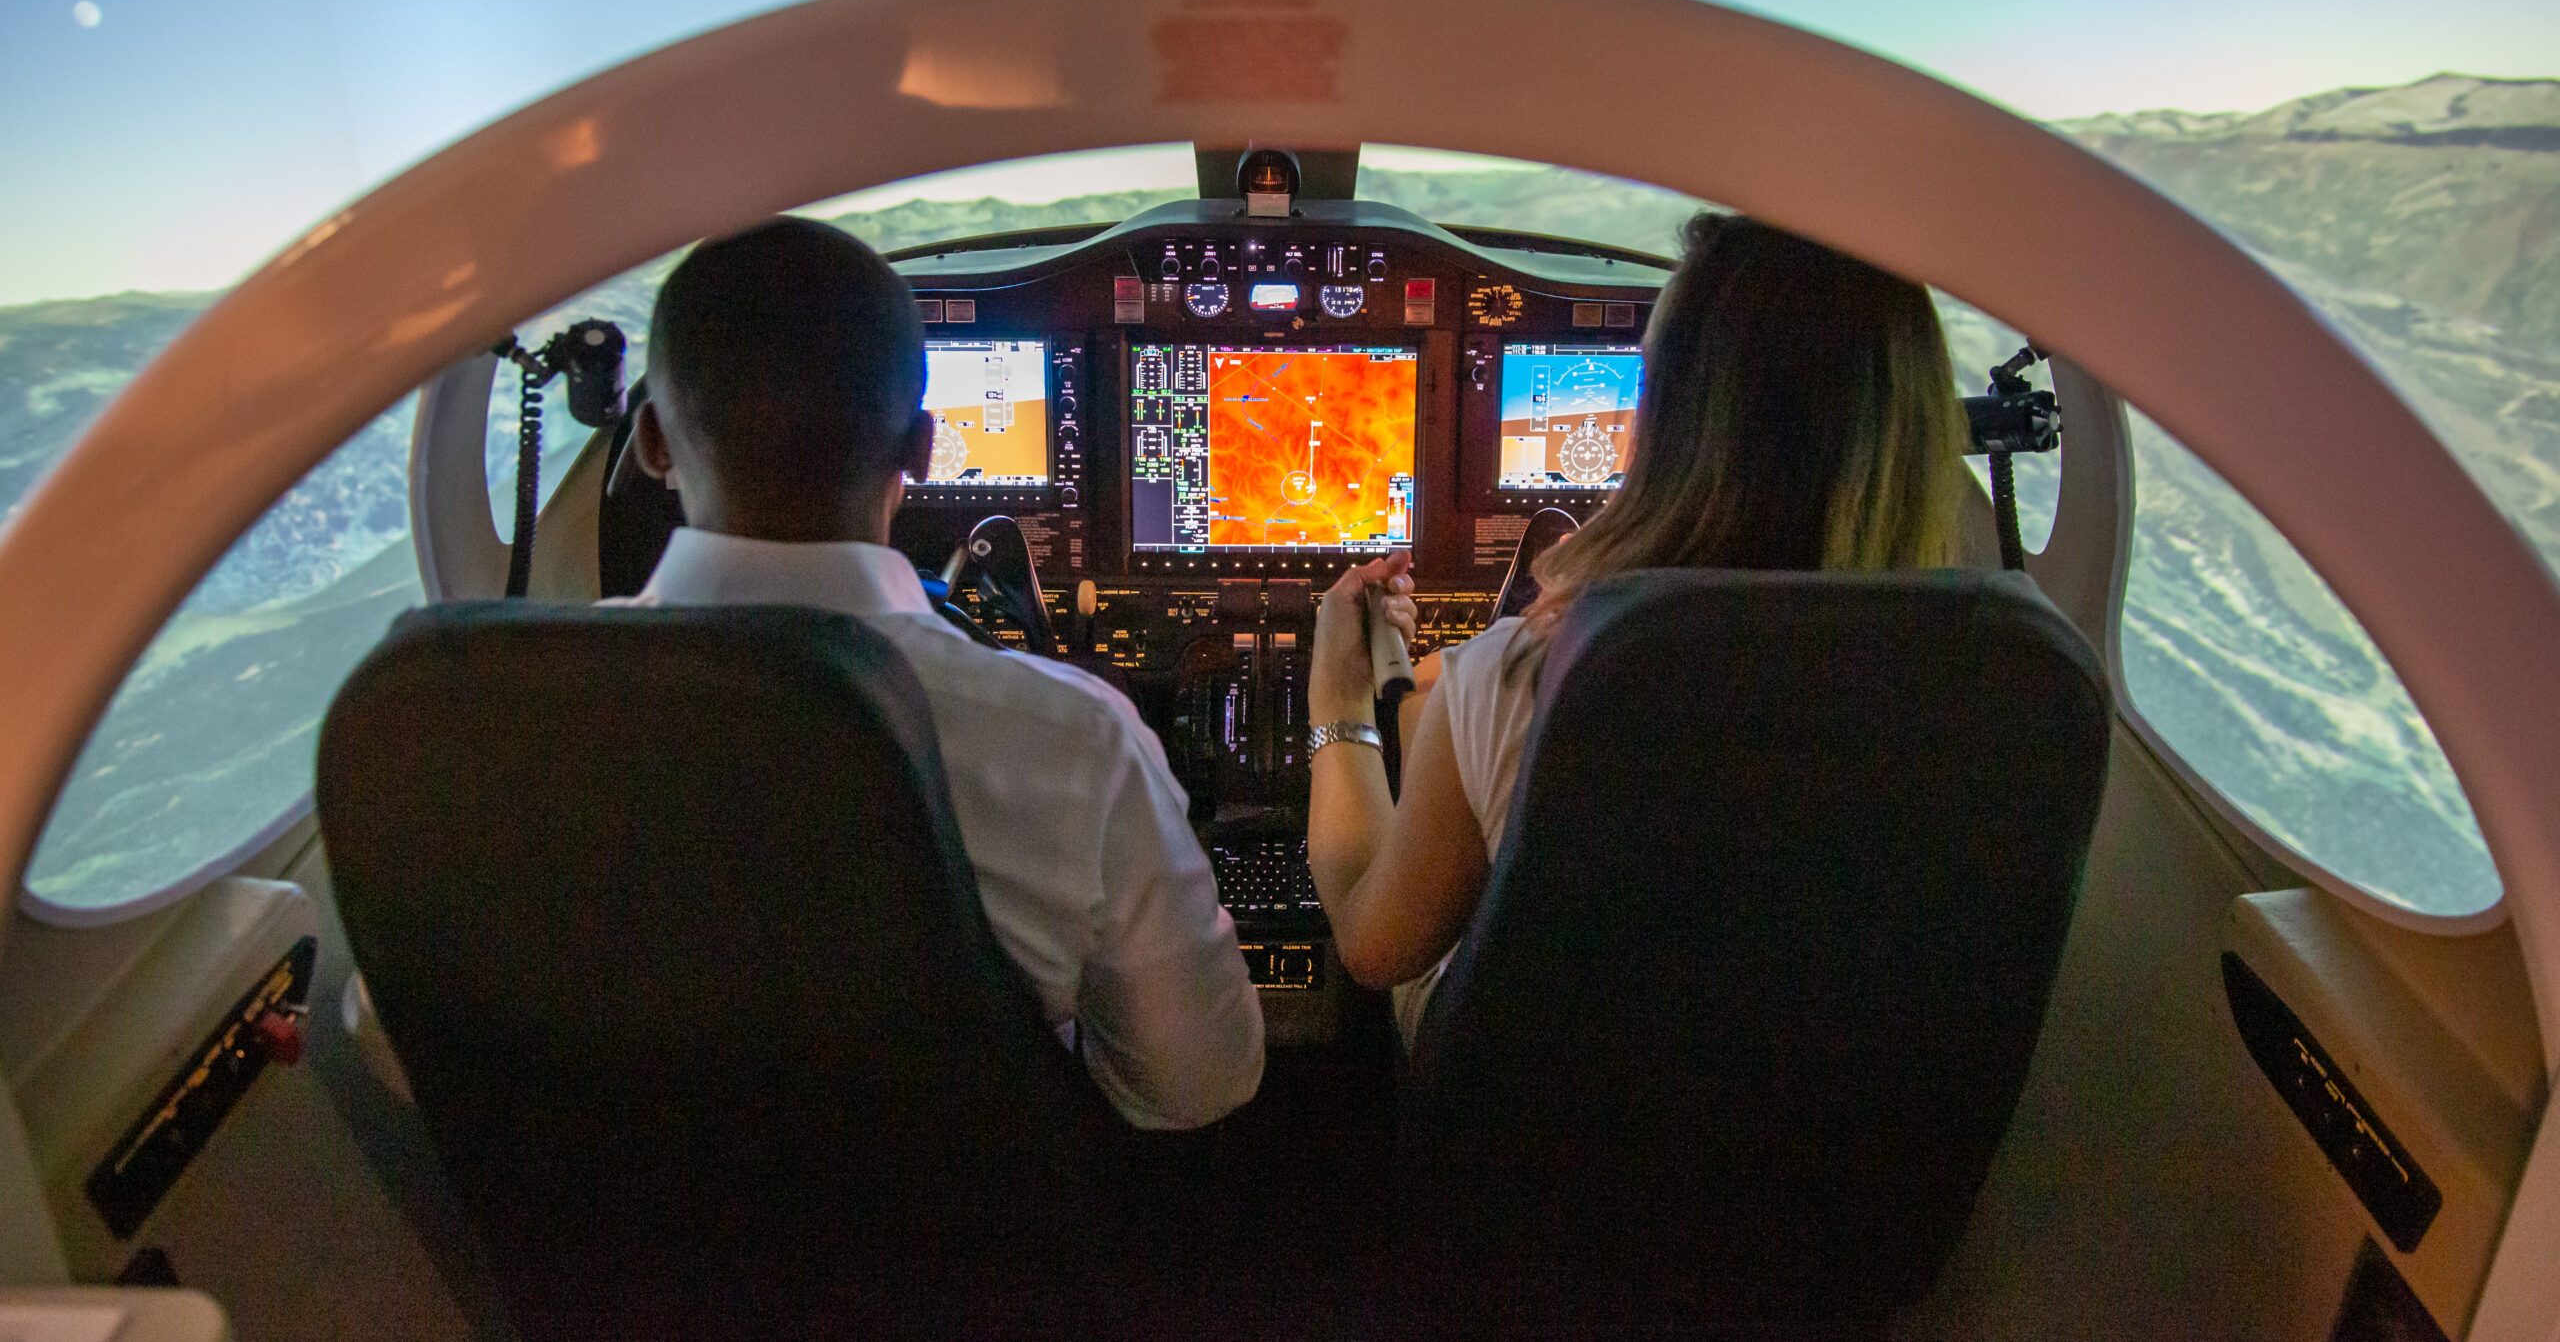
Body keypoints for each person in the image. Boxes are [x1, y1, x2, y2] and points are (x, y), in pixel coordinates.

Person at [623, 217, 1262, 1128]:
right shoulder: (1078, 743)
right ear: (922, 451)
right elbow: (1200, 1083)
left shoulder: (495, 720)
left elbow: (395, 1042)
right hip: (960, 1256)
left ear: (650, 442)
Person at [1304, 213, 1971, 1046]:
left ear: (1669, 428)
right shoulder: (1983, 694)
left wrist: (1339, 699)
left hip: (1546, 1140)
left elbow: (1371, 944)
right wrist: (1408, 675)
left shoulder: (1534, 680)